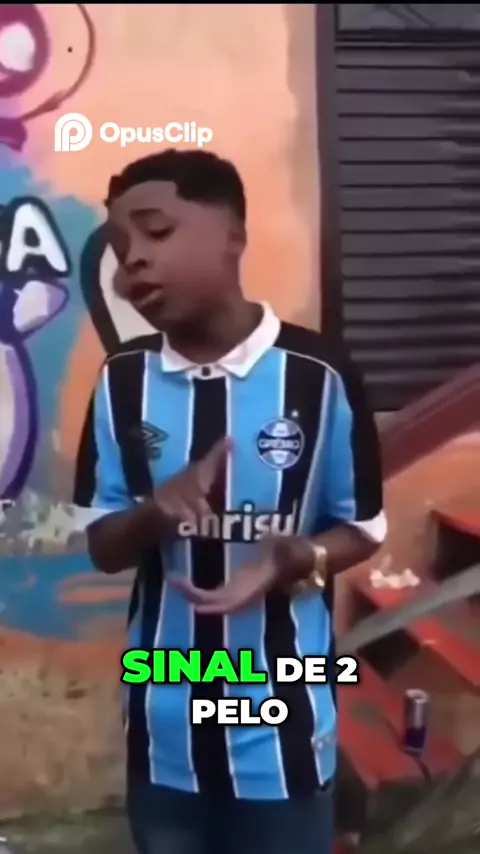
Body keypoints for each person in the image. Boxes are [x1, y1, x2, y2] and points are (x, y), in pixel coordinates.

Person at [73, 148, 387, 854]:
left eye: (156, 232)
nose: (133, 262)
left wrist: (296, 558)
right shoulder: (122, 382)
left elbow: (363, 528)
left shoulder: (320, 376)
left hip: (283, 732)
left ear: (234, 236)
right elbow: (103, 546)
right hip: (163, 733)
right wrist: (154, 513)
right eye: (120, 248)